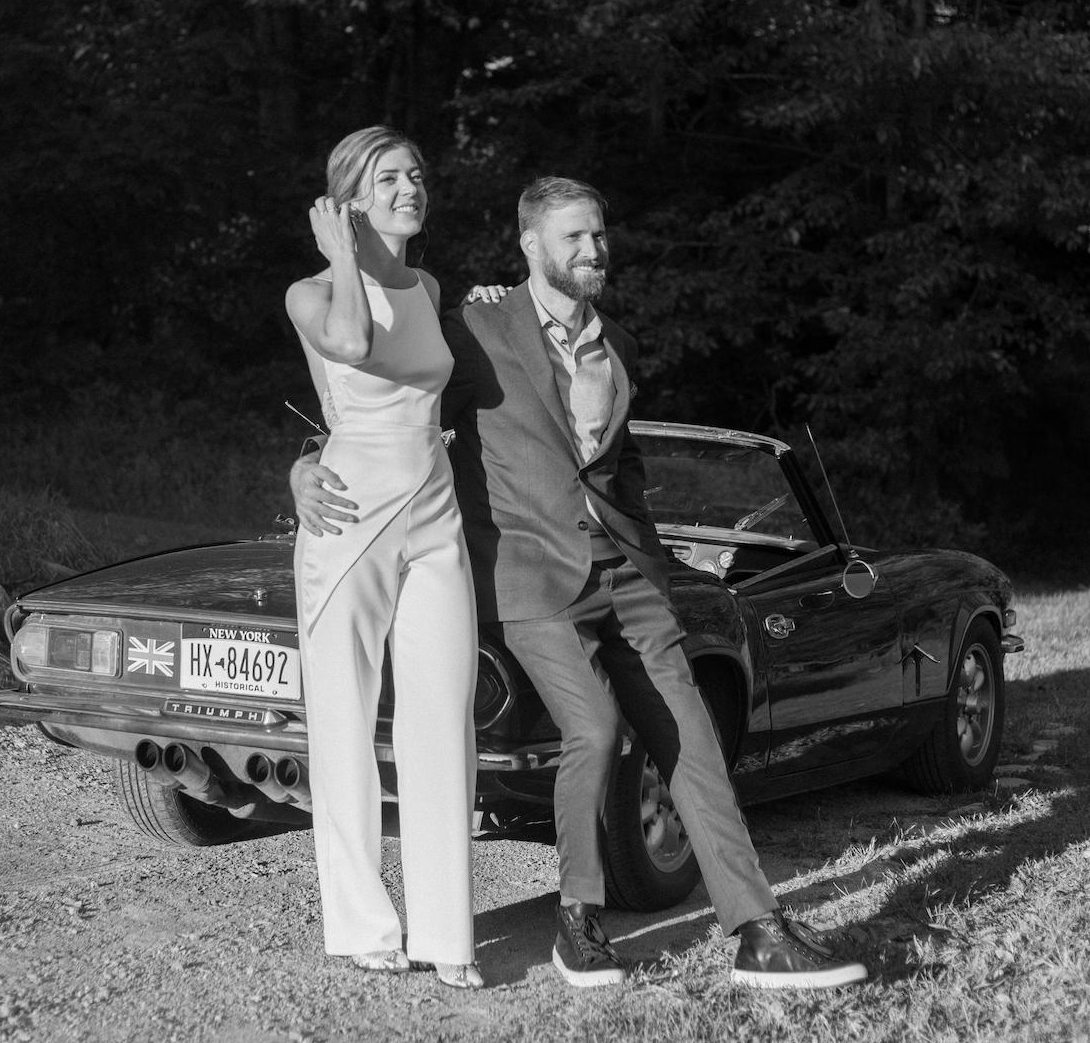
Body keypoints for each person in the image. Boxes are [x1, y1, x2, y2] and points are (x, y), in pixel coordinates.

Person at [292, 176, 868, 990]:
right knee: (594, 728)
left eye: (599, 234)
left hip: (626, 574)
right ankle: (578, 921)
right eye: (574, 237)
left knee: (692, 737)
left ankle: (759, 930)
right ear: (531, 244)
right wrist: (306, 465)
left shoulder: (618, 343)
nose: (593, 250)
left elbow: (621, 468)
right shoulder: (476, 327)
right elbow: (388, 404)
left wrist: (655, 565)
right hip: (529, 576)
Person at [283, 126, 482, 990]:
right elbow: (354, 350)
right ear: (350, 200)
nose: (412, 187)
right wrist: (343, 258)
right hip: (349, 519)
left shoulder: (429, 286)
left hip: (435, 516)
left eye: (416, 174)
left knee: (443, 717)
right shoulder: (308, 294)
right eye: (390, 177)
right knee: (343, 720)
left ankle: (447, 934)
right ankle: (363, 924)